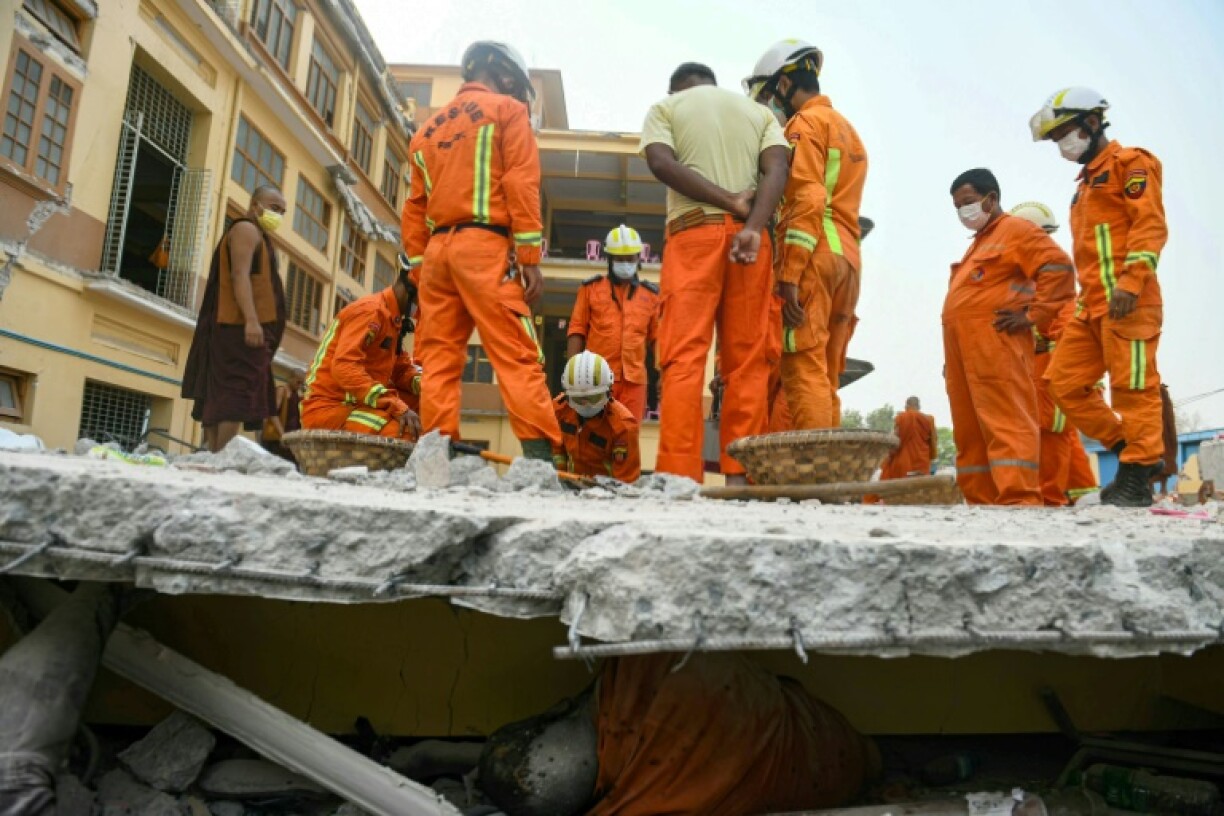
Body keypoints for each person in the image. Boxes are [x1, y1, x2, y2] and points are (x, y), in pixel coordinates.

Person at [402, 41, 560, 461]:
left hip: (437, 255)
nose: (517, 91)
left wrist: (420, 272)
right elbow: (520, 184)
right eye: (515, 82)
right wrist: (529, 259)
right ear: (502, 73)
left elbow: (414, 209)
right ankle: (541, 462)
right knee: (516, 354)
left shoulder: (425, 132)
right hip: (483, 247)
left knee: (437, 360)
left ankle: (437, 460)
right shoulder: (508, 113)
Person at [477, 653, 878, 816]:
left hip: (825, 752)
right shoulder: (641, 660)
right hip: (823, 746)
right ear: (558, 708)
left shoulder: (645, 798)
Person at [639, 62, 790, 483]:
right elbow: (777, 169)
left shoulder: (666, 108)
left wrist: (726, 201)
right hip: (750, 242)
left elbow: (660, 163)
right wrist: (754, 225)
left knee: (683, 356)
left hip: (693, 237)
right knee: (747, 362)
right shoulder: (758, 113)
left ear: (676, 88)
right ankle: (741, 477)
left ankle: (679, 477)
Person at [1030, 87, 1169, 507]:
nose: (1062, 145)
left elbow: (1149, 226)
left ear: (1092, 122)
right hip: (1090, 307)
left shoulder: (1131, 164)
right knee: (1062, 383)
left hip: (1130, 301)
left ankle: (1137, 476)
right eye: (1055, 139)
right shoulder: (1085, 184)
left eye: (1065, 133)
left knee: (1133, 389)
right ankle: (1134, 450)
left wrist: (1131, 283)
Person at [745, 39, 869, 429]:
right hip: (847, 258)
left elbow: (808, 198)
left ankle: (814, 472)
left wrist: (790, 276)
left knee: (802, 365)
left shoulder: (803, 125)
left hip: (814, 254)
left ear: (782, 86)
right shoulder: (848, 130)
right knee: (827, 375)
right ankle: (830, 475)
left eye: (767, 95)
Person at [943, 169, 1076, 505]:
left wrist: (1033, 315)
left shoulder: (1015, 230)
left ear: (991, 199)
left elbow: (1058, 267)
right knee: (970, 429)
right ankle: (980, 500)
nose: (963, 212)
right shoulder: (981, 242)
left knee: (1007, 421)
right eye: (958, 206)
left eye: (969, 202)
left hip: (997, 343)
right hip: (965, 350)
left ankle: (1018, 499)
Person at [182, 185, 287, 452]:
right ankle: (219, 455)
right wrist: (252, 320)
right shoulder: (246, 230)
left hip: (241, 328)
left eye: (282, 211)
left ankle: (212, 453)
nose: (278, 215)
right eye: (274, 208)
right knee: (235, 395)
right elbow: (239, 275)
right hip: (239, 328)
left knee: (227, 393)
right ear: (255, 206)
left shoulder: (259, 236)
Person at [299, 270, 422, 439]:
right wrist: (396, 405)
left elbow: (401, 370)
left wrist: (426, 385)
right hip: (330, 408)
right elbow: (344, 367)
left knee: (425, 405)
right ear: (408, 291)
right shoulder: (371, 312)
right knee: (408, 433)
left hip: (357, 403)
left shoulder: (392, 320)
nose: (420, 309)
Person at [566, 225, 659, 421]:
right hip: (595, 379)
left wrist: (664, 377)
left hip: (635, 382)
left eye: (630, 259)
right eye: (619, 259)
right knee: (595, 436)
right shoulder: (590, 289)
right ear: (610, 260)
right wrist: (572, 375)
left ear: (638, 259)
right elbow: (577, 331)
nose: (625, 263)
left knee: (628, 438)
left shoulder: (651, 296)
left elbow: (657, 339)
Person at [552, 350, 641, 482]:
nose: (586, 405)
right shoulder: (559, 410)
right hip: (569, 485)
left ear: (609, 391)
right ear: (567, 394)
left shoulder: (623, 427)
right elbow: (556, 451)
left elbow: (625, 482)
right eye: (579, 399)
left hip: (607, 493)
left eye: (593, 398)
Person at [882, 397, 937, 480]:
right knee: (920, 487)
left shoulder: (902, 417)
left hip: (903, 462)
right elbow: (933, 441)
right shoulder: (929, 419)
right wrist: (932, 456)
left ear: (906, 406)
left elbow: (895, 439)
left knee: (900, 488)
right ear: (919, 406)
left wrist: (889, 455)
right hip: (922, 462)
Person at [261, 368, 304, 461]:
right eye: (298, 382)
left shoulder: (297, 395)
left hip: (291, 439)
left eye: (302, 383)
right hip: (277, 438)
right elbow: (272, 414)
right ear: (291, 378)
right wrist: (282, 434)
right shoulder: (282, 391)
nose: (299, 386)